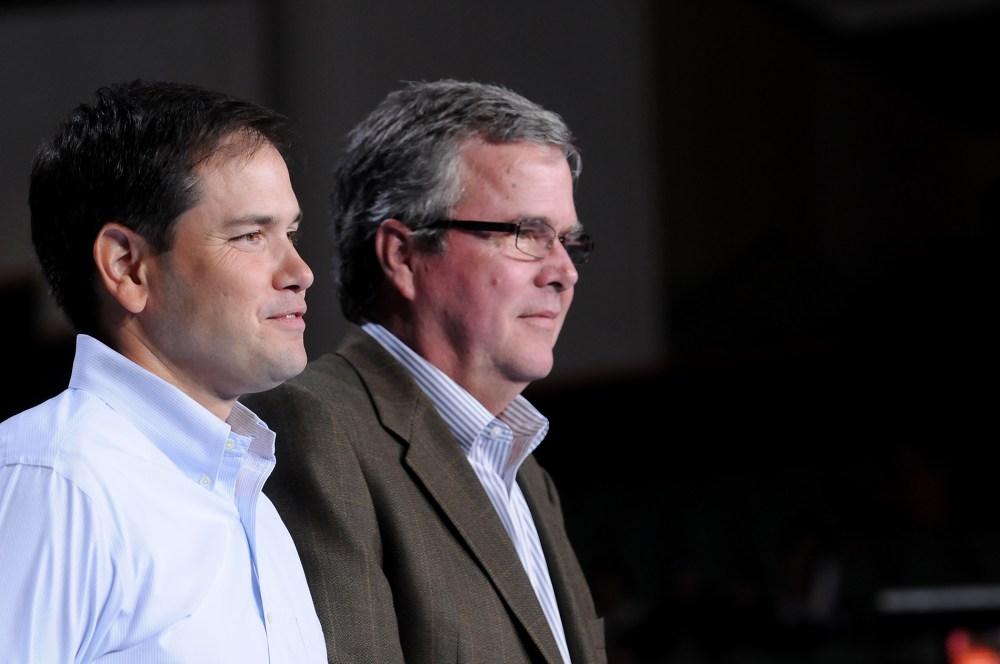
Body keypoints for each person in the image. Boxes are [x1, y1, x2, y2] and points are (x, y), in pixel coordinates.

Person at [242, 78, 606, 663]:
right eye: (527, 236)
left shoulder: (524, 469)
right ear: (403, 256)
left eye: (569, 241)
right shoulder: (317, 428)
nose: (565, 271)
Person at [0, 79, 327, 662]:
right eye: (251, 236)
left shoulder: (252, 500)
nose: (299, 270)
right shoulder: (53, 482)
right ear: (127, 267)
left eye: (291, 233)